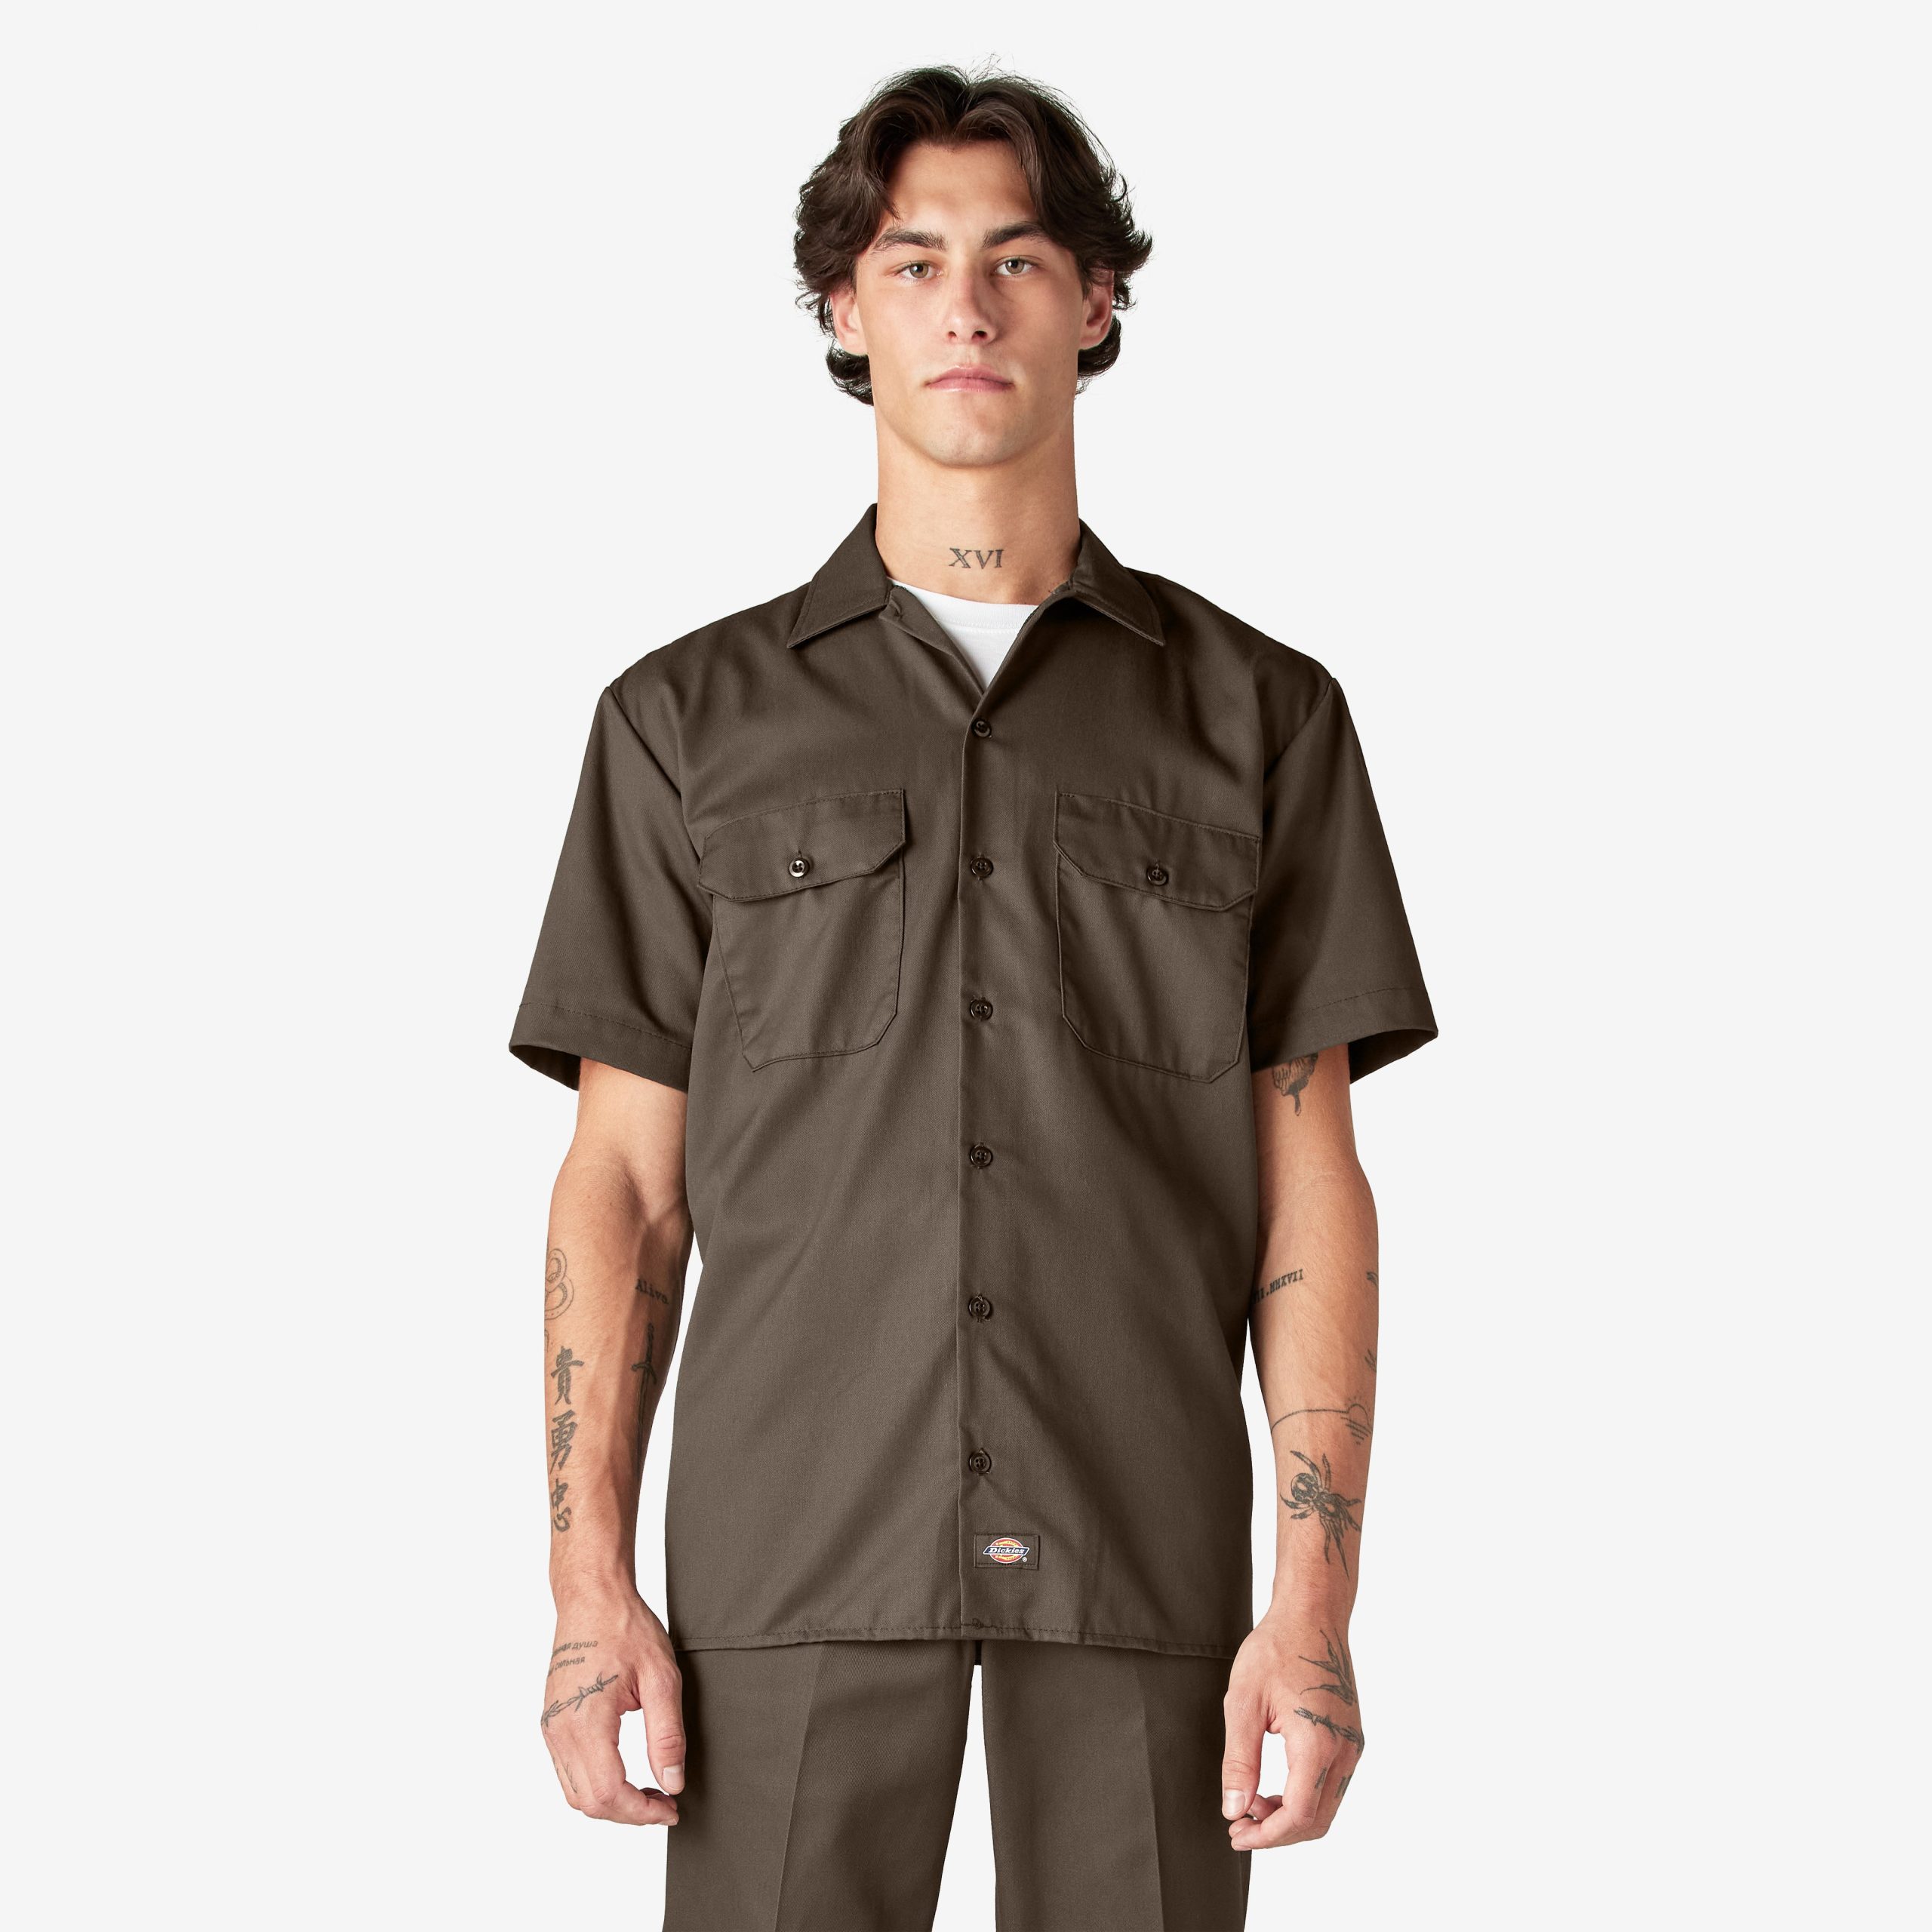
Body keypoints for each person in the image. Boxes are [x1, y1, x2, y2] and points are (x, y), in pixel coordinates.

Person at [509, 62, 1436, 1931]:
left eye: (1015, 258)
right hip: (788, 1563)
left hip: (1139, 1563)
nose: (964, 305)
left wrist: (1312, 1602)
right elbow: (625, 1186)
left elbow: (1308, 1188)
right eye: (910, 260)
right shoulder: (683, 726)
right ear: (843, 310)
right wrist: (586, 1586)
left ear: (1094, 300)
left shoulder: (1260, 720)